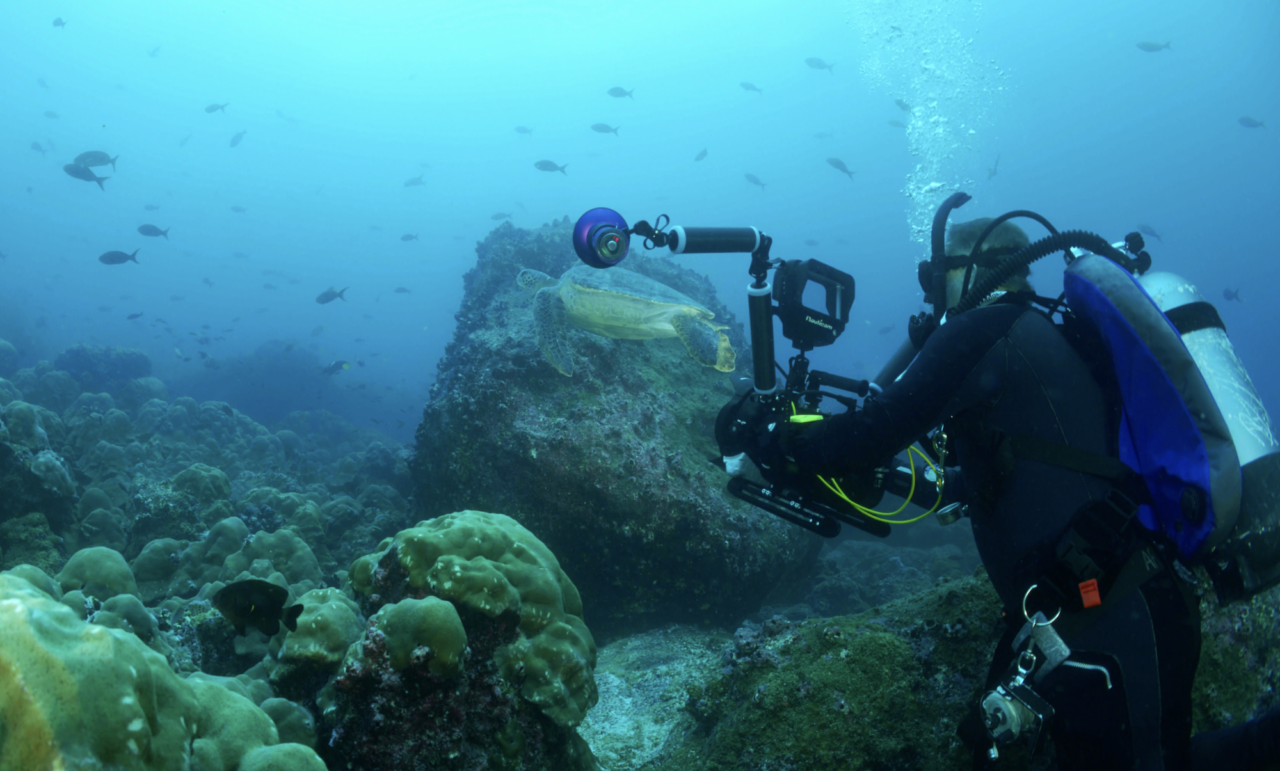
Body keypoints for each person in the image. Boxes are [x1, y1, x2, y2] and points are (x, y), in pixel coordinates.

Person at [743, 217, 1280, 770]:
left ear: (971, 269)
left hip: (1116, 616)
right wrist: (885, 480)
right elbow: (985, 480)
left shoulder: (987, 331)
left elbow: (868, 434)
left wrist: (774, 437)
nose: (931, 295)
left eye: (935, 277)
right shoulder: (1037, 335)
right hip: (1121, 609)